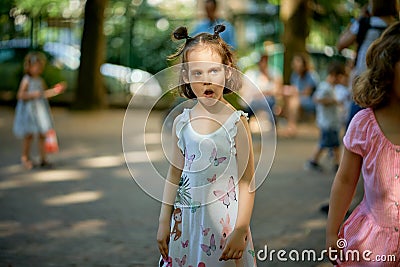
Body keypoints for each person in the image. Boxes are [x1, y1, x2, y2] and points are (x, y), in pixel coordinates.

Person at [157, 25, 257, 266]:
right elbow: (174, 174)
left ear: (228, 72)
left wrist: (241, 229)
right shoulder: (182, 123)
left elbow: (247, 181)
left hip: (225, 225)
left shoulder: (236, 123)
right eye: (197, 73)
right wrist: (163, 222)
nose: (206, 80)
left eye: (214, 71)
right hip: (186, 225)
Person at [326, 21, 400, 266]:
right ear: (388, 69)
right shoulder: (365, 124)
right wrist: (331, 232)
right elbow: (346, 179)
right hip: (373, 245)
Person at [337, 0, 398, 128]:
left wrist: (359, 18)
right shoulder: (395, 28)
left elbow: (341, 44)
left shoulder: (364, 24)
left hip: (365, 81)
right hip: (390, 86)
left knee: (356, 126)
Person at [13, 51, 66, 169]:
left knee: (42, 134)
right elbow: (20, 95)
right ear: (29, 66)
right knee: (29, 135)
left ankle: (43, 158)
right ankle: (25, 158)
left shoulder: (39, 80)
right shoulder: (26, 80)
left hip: (40, 112)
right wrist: (32, 95)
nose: (38, 69)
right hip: (29, 112)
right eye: (36, 66)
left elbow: (43, 94)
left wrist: (55, 91)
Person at [305, 61, 346, 173]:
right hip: (327, 123)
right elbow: (316, 99)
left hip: (332, 122)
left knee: (332, 144)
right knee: (328, 144)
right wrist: (332, 101)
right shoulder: (325, 87)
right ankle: (315, 161)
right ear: (334, 75)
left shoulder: (332, 88)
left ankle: (336, 164)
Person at [241, 54, 283, 130]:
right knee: (249, 107)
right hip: (253, 100)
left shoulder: (274, 73)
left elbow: (277, 90)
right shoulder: (251, 74)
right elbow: (245, 90)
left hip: (268, 99)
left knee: (268, 103)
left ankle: (274, 126)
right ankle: (245, 127)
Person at [282, 53, 319, 137]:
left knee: (294, 101)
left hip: (311, 101)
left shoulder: (311, 76)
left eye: (297, 62)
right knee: (290, 99)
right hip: (299, 99)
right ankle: (291, 126)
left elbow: (307, 93)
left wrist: (293, 92)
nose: (295, 64)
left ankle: (291, 127)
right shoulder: (295, 75)